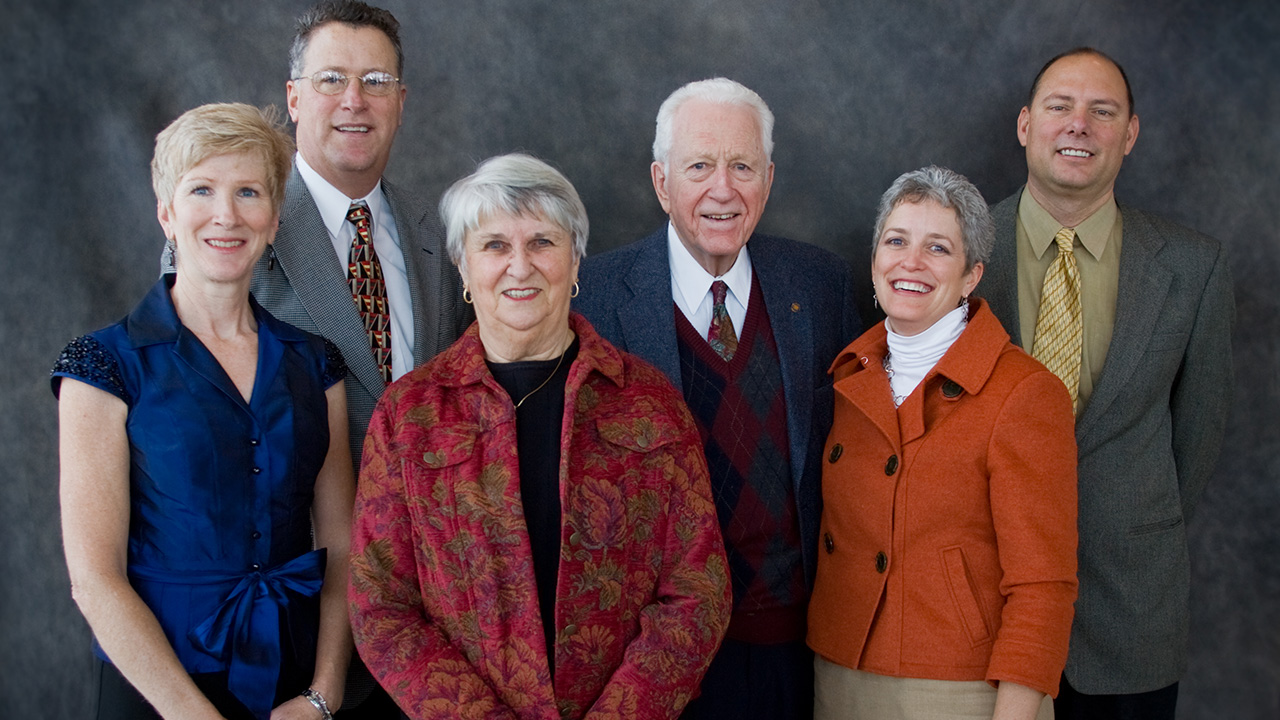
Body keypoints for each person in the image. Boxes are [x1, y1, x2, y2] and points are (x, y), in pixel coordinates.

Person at [348, 153, 732, 719]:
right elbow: (381, 605)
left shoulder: (648, 402)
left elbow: (698, 593)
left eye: (543, 243)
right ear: (464, 269)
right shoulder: (409, 414)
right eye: (495, 245)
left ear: (575, 262)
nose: (520, 266)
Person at [53, 103, 354, 720]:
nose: (227, 214)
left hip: (291, 690)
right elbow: (95, 579)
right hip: (155, 692)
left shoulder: (316, 364)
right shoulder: (103, 365)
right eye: (202, 189)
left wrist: (324, 693)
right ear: (167, 212)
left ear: (273, 219)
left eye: (248, 191)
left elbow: (343, 542)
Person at [574, 77, 861, 720]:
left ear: (768, 178)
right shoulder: (588, 299)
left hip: (796, 642)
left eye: (742, 166)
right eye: (700, 166)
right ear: (661, 182)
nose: (723, 189)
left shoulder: (821, 286)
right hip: (651, 655)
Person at [981, 48, 1235, 719]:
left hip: (1129, 619)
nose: (1080, 126)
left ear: (1130, 134)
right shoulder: (953, 250)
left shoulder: (1193, 268)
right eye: (1061, 106)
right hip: (982, 611)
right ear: (1025, 125)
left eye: (1103, 111)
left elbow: (1197, 441)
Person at [807, 166, 1079, 720]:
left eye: (938, 248)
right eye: (896, 241)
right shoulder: (846, 378)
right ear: (876, 259)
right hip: (838, 671)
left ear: (971, 275)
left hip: (961, 687)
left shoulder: (1024, 394)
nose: (911, 262)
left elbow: (1043, 585)